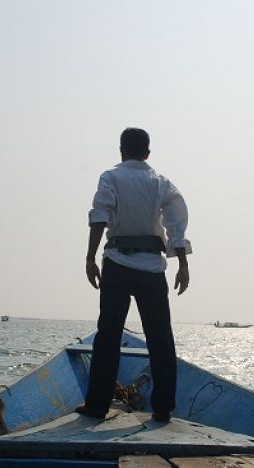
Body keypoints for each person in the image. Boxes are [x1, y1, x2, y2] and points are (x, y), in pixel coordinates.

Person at [76, 127, 192, 423]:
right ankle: (163, 408)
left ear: (121, 150)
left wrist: (90, 258)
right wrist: (183, 265)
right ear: (148, 153)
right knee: (160, 337)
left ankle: (97, 405)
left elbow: (99, 216)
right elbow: (176, 222)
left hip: (117, 263)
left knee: (108, 336)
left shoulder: (110, 177)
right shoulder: (160, 183)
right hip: (152, 269)